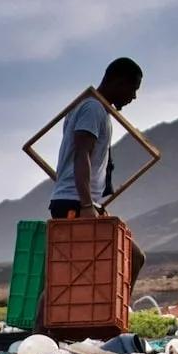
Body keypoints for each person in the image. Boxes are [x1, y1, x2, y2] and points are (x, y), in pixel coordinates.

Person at [48, 56, 146, 290]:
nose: (133, 97)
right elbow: (82, 154)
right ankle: (46, 326)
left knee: (127, 259)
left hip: (82, 202)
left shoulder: (97, 109)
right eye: (133, 88)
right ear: (118, 82)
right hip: (75, 204)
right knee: (66, 278)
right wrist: (86, 206)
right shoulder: (92, 108)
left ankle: (110, 319)